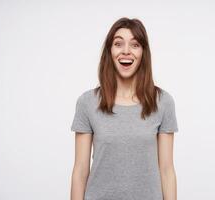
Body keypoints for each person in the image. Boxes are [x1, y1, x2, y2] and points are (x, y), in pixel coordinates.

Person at [70, 17, 179, 200]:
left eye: (135, 45)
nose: (126, 51)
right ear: (110, 51)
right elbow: (80, 171)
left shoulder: (163, 102)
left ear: (143, 52)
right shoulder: (87, 102)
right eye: (118, 44)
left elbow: (167, 170)